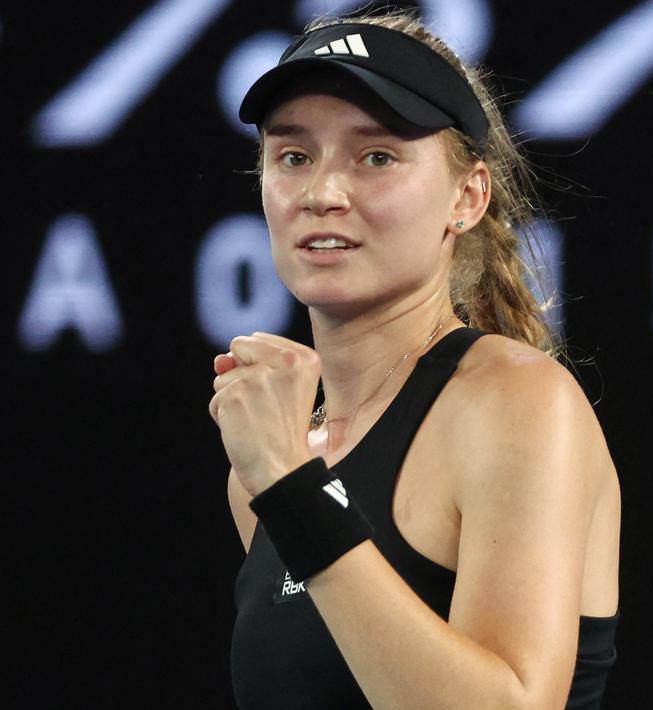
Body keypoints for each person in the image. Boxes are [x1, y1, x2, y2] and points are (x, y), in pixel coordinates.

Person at [209, 10, 621, 709]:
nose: (321, 194)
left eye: (376, 157)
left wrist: (292, 488)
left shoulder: (518, 401)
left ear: (467, 196)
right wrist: (284, 481)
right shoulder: (267, 473)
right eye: (293, 156)